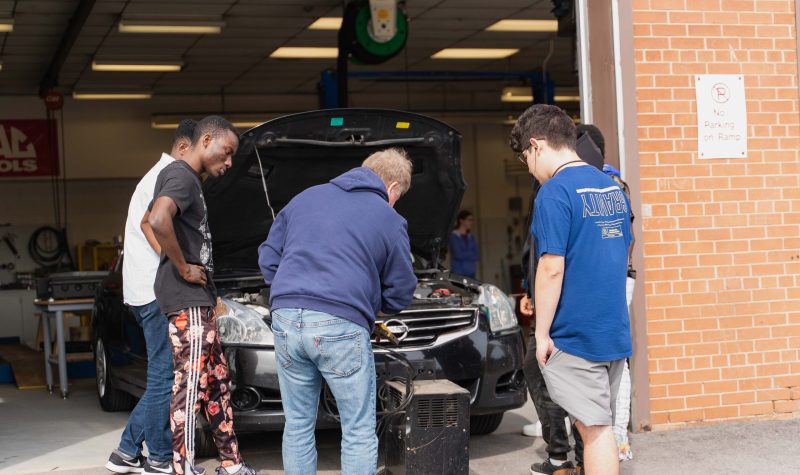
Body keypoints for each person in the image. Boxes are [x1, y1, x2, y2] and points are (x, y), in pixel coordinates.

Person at [258, 148, 417, 475]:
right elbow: (401, 287)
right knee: (357, 428)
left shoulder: (303, 198)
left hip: (286, 318)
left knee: (298, 424)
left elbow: (268, 258)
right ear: (393, 188)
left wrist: (292, 292)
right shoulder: (388, 217)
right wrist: (372, 308)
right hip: (340, 323)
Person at [509, 105, 633, 475]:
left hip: (576, 333)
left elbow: (550, 267)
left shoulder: (553, 192)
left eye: (525, 158)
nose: (528, 167)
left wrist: (542, 334)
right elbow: (622, 251)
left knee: (594, 430)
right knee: (597, 425)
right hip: (612, 329)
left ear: (537, 145)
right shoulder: (612, 188)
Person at [147, 115, 262, 475]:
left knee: (217, 387)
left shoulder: (190, 181)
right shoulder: (181, 174)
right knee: (190, 386)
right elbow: (157, 220)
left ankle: (230, 463)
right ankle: (182, 468)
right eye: (226, 153)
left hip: (199, 302)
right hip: (186, 302)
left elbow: (153, 219)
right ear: (206, 139)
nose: (229, 162)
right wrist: (182, 267)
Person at [105, 119, 196, 475]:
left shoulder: (158, 175)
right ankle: (158, 457)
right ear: (184, 147)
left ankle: (126, 451)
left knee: (164, 374)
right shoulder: (167, 176)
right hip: (155, 292)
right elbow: (152, 225)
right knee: (164, 376)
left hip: (143, 291)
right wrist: (182, 269)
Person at [449, 210, 480, 278]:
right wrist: (471, 253)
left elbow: (477, 255)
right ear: (461, 220)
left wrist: (465, 254)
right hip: (458, 272)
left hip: (471, 272)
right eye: (469, 220)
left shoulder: (471, 237)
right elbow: (458, 254)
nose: (471, 222)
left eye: (472, 220)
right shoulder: (454, 236)